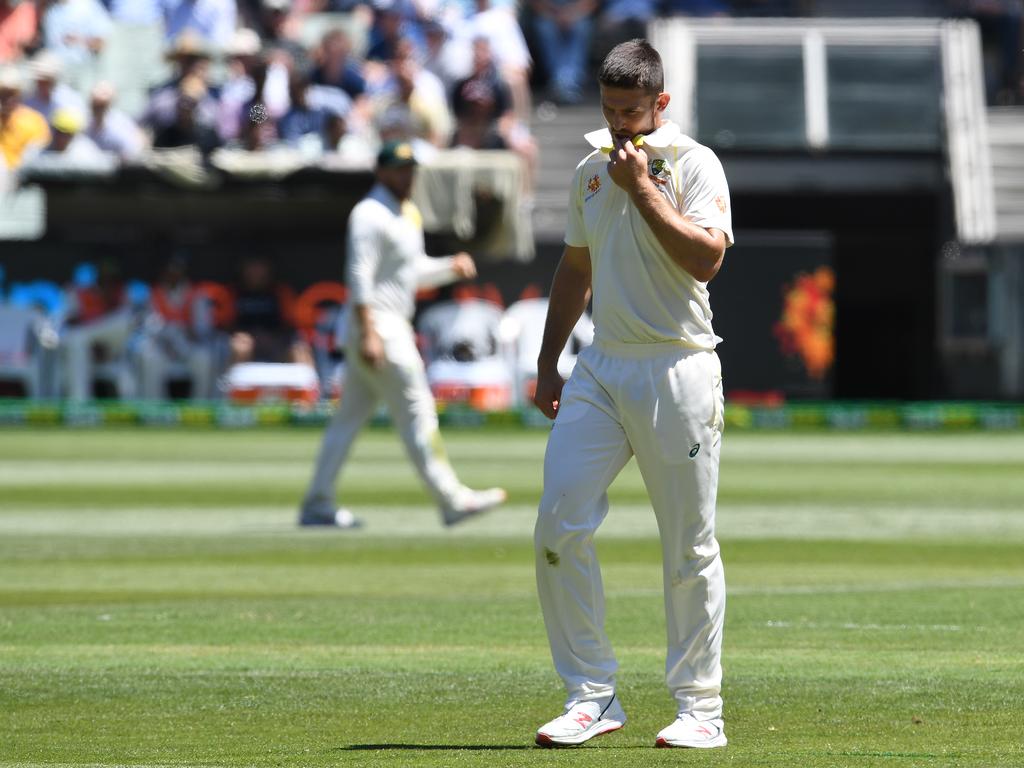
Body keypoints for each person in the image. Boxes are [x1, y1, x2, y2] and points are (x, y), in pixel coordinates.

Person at [531, 39, 734, 749]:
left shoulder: (695, 164)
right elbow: (574, 266)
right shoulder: (591, 170)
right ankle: (591, 694)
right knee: (558, 524)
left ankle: (700, 710)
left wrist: (644, 187)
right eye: (612, 112)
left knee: (688, 547)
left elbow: (706, 260)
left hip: (677, 366)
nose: (622, 126)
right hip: (602, 367)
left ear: (661, 104)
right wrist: (548, 361)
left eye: (633, 112)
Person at [297, 139, 507, 529]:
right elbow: (358, 276)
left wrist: (449, 268)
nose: (407, 176)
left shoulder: (405, 213)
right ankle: (451, 499)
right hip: (380, 328)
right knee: (418, 412)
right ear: (381, 172)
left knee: (347, 421)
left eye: (411, 170)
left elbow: (409, 273)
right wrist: (369, 333)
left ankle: (317, 503)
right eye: (399, 169)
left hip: (384, 326)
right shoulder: (369, 213)